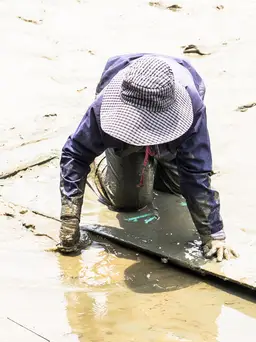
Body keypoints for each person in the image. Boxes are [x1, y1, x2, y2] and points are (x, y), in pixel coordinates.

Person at [57, 53, 238, 262]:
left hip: (171, 121)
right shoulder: (105, 105)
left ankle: (158, 161)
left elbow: (196, 172)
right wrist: (70, 220)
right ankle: (105, 164)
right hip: (124, 135)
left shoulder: (191, 105)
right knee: (129, 202)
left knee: (179, 190)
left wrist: (213, 234)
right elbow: (75, 154)